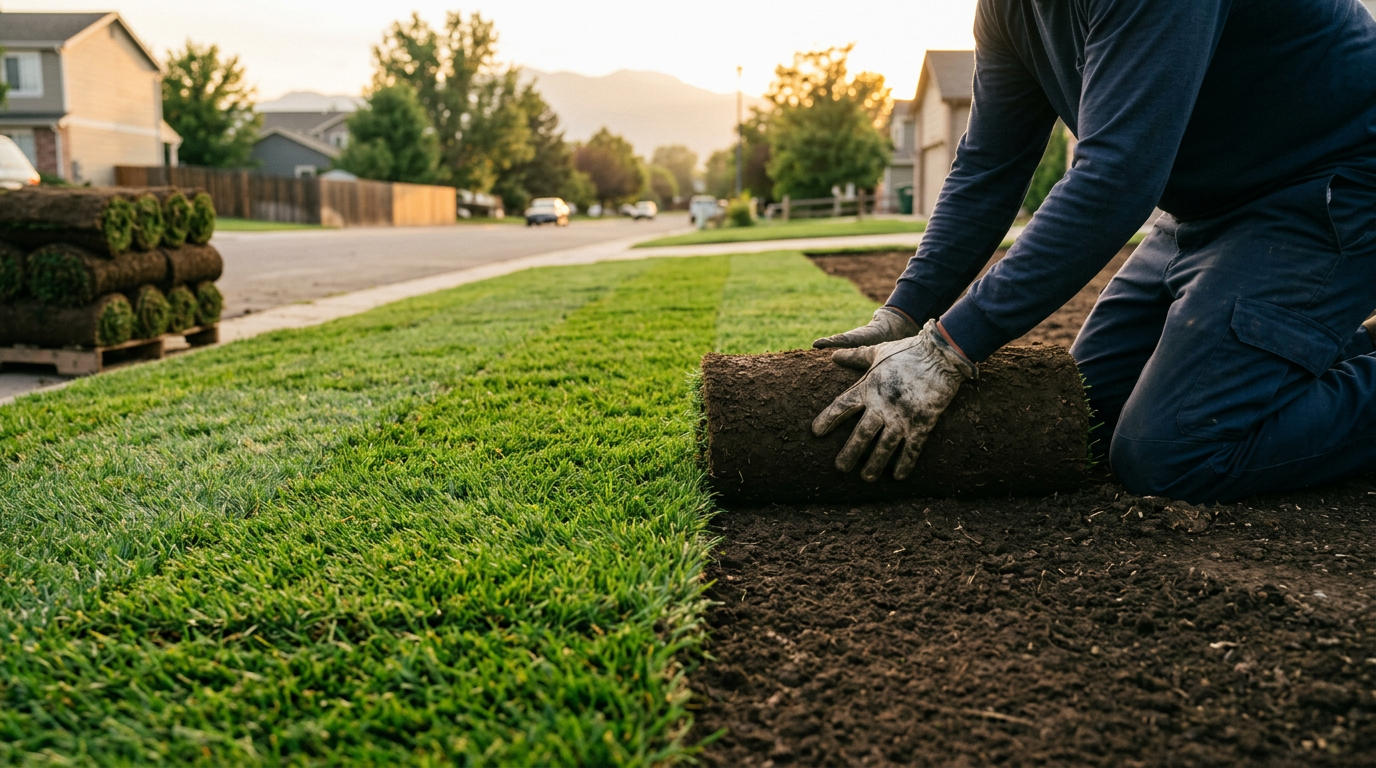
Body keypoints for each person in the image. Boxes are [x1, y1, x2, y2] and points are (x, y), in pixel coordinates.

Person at [811, 0, 1376, 504]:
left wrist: (948, 348)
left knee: (1169, 452)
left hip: (1329, 190)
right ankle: (1333, 348)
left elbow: (1117, 175)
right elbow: (988, 166)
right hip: (1208, 208)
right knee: (1090, 410)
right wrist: (902, 314)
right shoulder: (1007, 9)